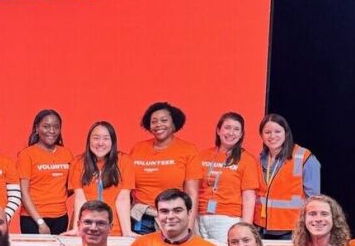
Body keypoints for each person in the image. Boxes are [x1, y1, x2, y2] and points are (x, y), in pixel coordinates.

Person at [125, 102, 198, 235]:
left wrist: (188, 227)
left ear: (174, 124)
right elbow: (127, 189)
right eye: (154, 121)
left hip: (173, 219)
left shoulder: (188, 150)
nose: (158, 124)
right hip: (140, 219)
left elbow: (191, 193)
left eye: (164, 120)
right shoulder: (138, 148)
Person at [185, 112, 259, 239]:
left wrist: (246, 228)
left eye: (236, 129)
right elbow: (191, 189)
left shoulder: (247, 159)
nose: (231, 133)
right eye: (227, 127)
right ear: (218, 130)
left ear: (241, 134)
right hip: (199, 216)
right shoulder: (202, 155)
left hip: (227, 219)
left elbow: (248, 197)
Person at [255, 114, 321, 239]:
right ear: (261, 135)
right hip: (260, 228)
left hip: (291, 230)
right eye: (267, 132)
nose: (272, 136)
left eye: (277, 131)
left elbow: (313, 199)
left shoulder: (304, 157)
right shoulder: (258, 159)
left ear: (286, 133)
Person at [68, 121, 134, 237]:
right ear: (89, 141)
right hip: (86, 229)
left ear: (112, 141)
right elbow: (80, 199)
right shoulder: (78, 162)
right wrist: (77, 229)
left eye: (106, 138)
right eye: (96, 138)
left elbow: (123, 199)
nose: (100, 143)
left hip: (114, 230)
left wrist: (127, 232)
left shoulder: (124, 161)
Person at [17, 109, 75, 235]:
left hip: (60, 217)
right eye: (46, 126)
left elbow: (71, 187)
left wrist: (56, 195)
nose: (52, 131)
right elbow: (23, 192)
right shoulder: (27, 155)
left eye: (56, 127)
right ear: (37, 128)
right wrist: (40, 222)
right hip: (33, 219)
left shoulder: (66, 153)